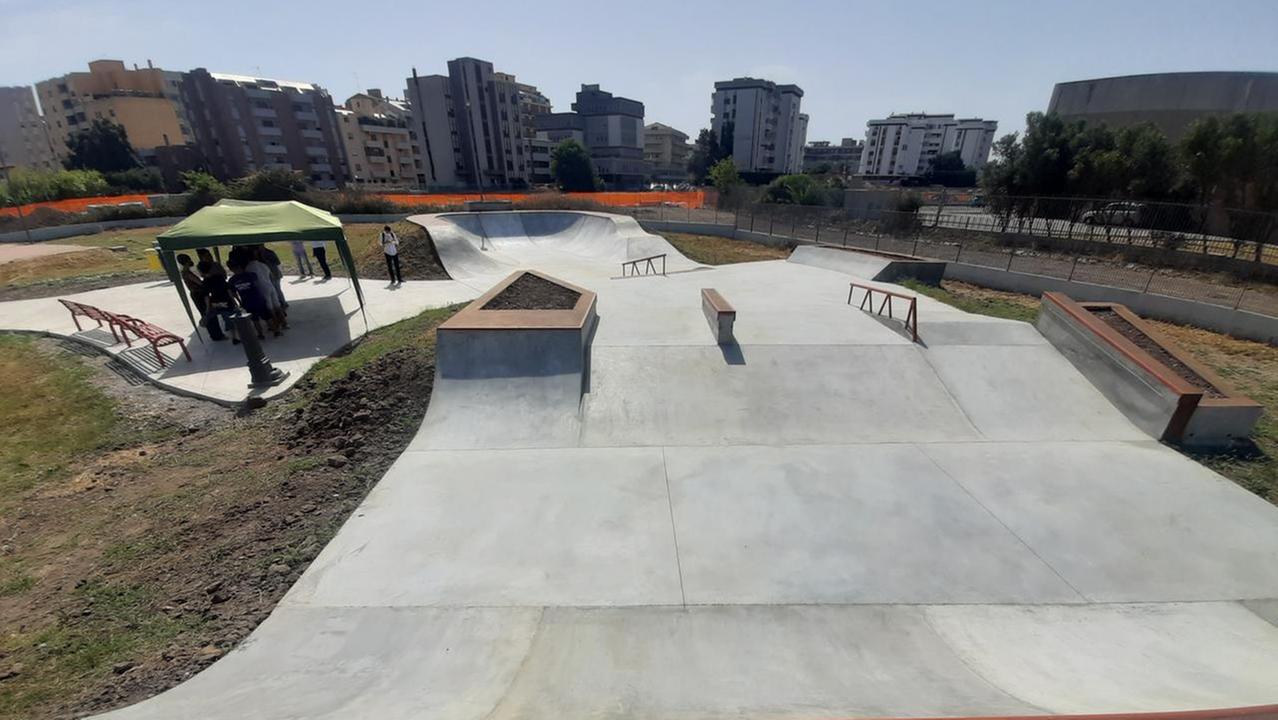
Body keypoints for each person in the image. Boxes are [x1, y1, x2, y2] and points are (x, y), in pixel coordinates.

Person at [227, 259, 275, 339]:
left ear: (231, 269)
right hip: (258, 299)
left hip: (247, 301)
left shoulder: (232, 280)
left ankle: (260, 334)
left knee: (255, 319)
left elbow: (233, 293)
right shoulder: (251, 275)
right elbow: (258, 285)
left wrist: (239, 302)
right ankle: (275, 331)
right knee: (267, 316)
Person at [246, 246, 287, 330]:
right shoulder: (263, 265)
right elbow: (271, 276)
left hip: (262, 288)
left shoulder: (248, 268)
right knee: (277, 305)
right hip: (270, 285)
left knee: (270, 307)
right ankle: (284, 323)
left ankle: (276, 324)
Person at [198, 260, 233, 342]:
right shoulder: (219, 277)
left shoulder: (205, 282)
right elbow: (228, 289)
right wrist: (234, 300)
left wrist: (207, 310)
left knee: (212, 318)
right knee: (229, 318)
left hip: (216, 302)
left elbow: (206, 297)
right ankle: (234, 336)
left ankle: (217, 334)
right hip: (226, 300)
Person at [177, 253, 207, 320]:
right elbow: (199, 283)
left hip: (195, 294)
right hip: (198, 294)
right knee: (205, 311)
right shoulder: (187, 273)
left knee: (203, 311)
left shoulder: (185, 272)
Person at [259, 245, 288, 309]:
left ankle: (282, 303)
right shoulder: (261, 254)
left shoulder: (269, 253)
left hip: (275, 273)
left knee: (277, 289)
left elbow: (277, 262)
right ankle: (281, 303)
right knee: (275, 290)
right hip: (270, 274)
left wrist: (266, 260)